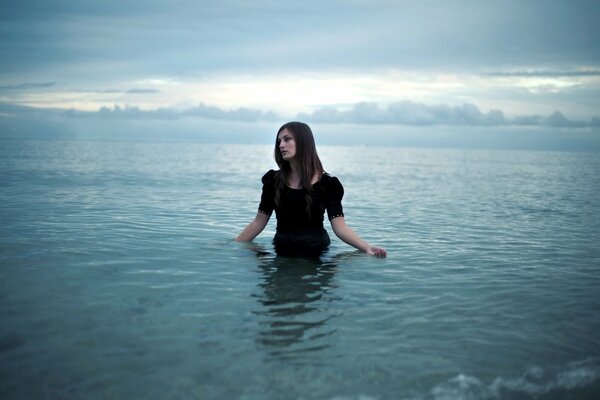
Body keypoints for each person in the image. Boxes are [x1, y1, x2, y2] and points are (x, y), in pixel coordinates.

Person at [236, 122, 387, 258]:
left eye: (287, 139)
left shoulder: (328, 184)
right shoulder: (272, 181)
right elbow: (258, 223)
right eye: (279, 141)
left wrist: (366, 248)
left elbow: (340, 227)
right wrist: (231, 247)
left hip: (317, 251)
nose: (281, 145)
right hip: (282, 249)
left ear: (303, 142)